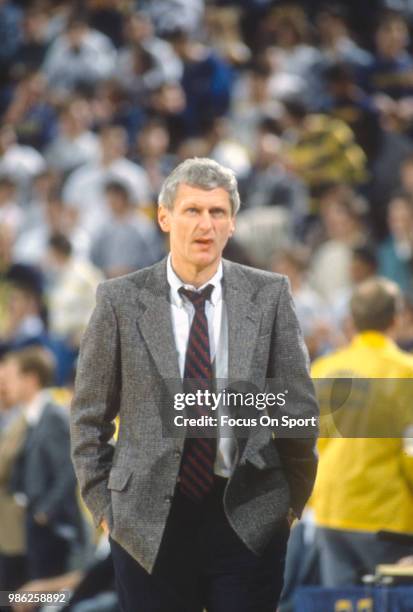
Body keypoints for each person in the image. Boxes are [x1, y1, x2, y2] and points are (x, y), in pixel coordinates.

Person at [71, 157, 318, 612]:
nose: (205, 224)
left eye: (217, 212)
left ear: (232, 224)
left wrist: (291, 502)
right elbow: (89, 417)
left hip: (247, 513)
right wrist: (107, 510)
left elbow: (296, 407)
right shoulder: (119, 300)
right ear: (164, 217)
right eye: (192, 211)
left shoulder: (270, 294)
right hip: (145, 520)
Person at [312, 277, 413, 586]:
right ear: (398, 318)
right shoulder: (405, 372)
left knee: (341, 603)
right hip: (385, 514)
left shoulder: (323, 369)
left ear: (352, 321)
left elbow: (307, 443)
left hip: (331, 508)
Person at [7, 346, 84, 581]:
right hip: (36, 529)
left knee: (48, 599)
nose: (7, 384)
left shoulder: (52, 416)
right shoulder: (30, 416)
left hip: (53, 531)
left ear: (30, 379)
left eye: (13, 377)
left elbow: (68, 470)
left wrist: (44, 513)